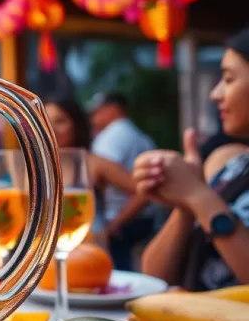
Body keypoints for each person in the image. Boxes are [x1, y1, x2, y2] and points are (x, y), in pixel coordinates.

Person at [134, 29, 249, 290]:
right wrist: (185, 201)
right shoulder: (230, 164)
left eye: (229, 79)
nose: (215, 94)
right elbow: (153, 277)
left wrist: (198, 195)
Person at [45, 95, 149, 256]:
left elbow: (142, 192)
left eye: (60, 121)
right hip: (50, 253)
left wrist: (113, 225)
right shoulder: (38, 167)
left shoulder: (95, 163)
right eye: (45, 121)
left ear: (76, 124)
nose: (52, 128)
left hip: (90, 250)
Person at [86, 92, 157, 267]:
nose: (93, 118)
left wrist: (113, 225)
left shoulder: (112, 137)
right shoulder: (141, 137)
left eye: (97, 111)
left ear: (114, 109)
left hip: (121, 221)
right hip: (143, 220)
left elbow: (142, 190)